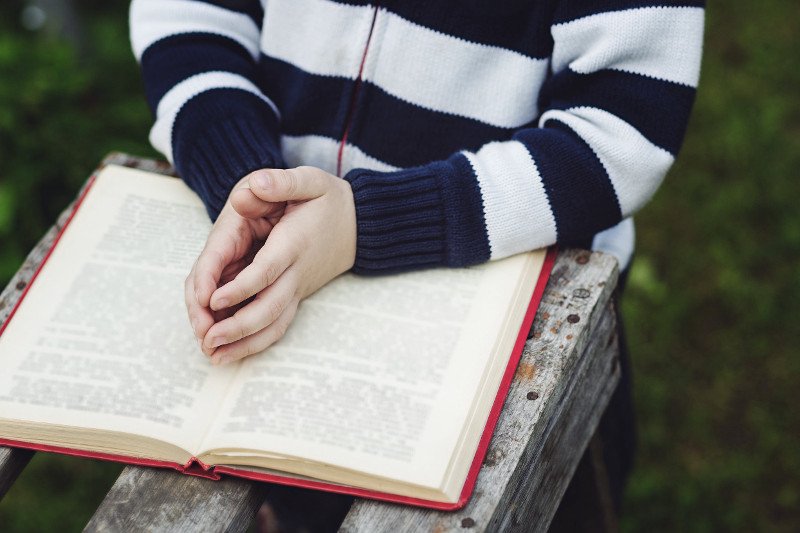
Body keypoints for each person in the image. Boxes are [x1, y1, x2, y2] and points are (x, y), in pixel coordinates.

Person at [130, 0, 705, 527]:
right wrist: (252, 183)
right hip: (296, 306)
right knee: (291, 498)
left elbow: (621, 135)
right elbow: (190, 17)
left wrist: (367, 222)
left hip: (501, 323)